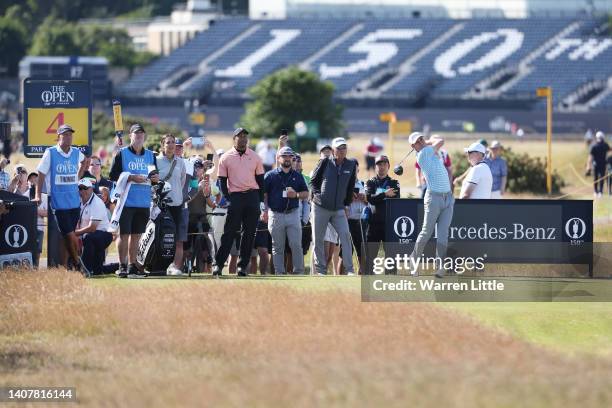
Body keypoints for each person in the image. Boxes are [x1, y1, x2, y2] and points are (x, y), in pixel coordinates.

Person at [35, 124, 90, 275]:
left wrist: (78, 176)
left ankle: (66, 267)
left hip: (74, 201)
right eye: (65, 135)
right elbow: (40, 173)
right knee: (69, 234)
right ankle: (78, 261)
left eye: (70, 135)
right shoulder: (51, 152)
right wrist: (38, 194)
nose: (68, 137)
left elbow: (85, 160)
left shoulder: (76, 152)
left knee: (66, 235)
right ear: (58, 137)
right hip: (58, 202)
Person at [108, 123, 159, 278]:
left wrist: (155, 178)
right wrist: (130, 177)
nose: (139, 136)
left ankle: (132, 266)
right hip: (126, 202)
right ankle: (122, 266)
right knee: (124, 235)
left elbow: (154, 176)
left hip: (143, 202)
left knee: (136, 235)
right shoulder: (121, 154)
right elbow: (112, 175)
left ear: (144, 137)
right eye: (136, 134)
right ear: (130, 136)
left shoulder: (151, 155)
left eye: (141, 134)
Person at [213, 127, 265, 277]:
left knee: (249, 234)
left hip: (252, 196)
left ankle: (242, 268)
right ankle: (218, 265)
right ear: (234, 139)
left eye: (245, 137)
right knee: (229, 233)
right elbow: (222, 182)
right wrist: (228, 199)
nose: (243, 139)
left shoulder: (255, 157)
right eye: (239, 136)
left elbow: (261, 181)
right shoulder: (226, 157)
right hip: (235, 197)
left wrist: (261, 201)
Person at [408, 132, 454, 278]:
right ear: (413, 146)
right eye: (417, 141)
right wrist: (426, 142)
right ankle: (413, 261)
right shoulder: (423, 154)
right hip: (433, 198)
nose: (421, 141)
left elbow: (439, 142)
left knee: (442, 235)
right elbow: (441, 140)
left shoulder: (430, 152)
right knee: (426, 232)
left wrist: (423, 141)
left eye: (421, 138)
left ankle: (440, 267)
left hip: (448, 198)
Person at [310, 137, 357, 276]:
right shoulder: (324, 162)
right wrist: (318, 196)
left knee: (346, 237)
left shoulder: (351, 165)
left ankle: (349, 270)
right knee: (318, 239)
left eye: (344, 148)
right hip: (321, 207)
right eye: (339, 148)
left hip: (338, 209)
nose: (342, 151)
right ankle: (321, 270)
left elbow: (350, 187)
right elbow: (313, 182)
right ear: (333, 150)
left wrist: (347, 205)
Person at [264, 146, 309, 275]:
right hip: (275, 214)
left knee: (296, 245)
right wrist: (264, 210)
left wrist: (295, 195)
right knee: (277, 247)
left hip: (293, 214)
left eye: (290, 156)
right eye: (284, 156)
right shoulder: (270, 175)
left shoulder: (297, 176)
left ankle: (299, 272)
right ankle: (280, 272)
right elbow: (264, 195)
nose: (287, 158)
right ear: (278, 158)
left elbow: (306, 193)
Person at [157, 135, 188, 275]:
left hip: (177, 204)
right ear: (163, 144)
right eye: (168, 142)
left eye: (173, 143)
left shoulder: (180, 162)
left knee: (179, 239)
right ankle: (160, 265)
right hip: (162, 205)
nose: (171, 145)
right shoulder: (156, 161)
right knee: (163, 237)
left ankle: (175, 267)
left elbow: (181, 182)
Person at [365, 155, 400, 274]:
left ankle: (391, 283)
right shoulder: (370, 182)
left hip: (389, 224)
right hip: (373, 224)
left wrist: (378, 196)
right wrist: (385, 194)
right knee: (370, 256)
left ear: (388, 166)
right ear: (375, 167)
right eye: (379, 164)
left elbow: (396, 198)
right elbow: (370, 199)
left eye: (384, 164)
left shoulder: (394, 183)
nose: (382, 167)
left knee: (391, 257)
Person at [75, 178, 113, 275]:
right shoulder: (78, 201)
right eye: (80, 188)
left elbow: (92, 228)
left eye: (85, 188)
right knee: (98, 270)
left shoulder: (97, 203)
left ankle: (85, 269)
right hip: (92, 236)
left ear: (91, 189)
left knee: (88, 237)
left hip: (104, 235)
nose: (82, 191)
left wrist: (75, 234)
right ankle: (118, 266)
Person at [344, 161, 368, 274]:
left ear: (358, 170)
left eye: (355, 169)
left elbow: (369, 203)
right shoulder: (343, 185)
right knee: (345, 252)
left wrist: (364, 198)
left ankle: (361, 274)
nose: (354, 171)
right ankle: (341, 275)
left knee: (361, 251)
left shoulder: (363, 184)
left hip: (360, 221)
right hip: (346, 221)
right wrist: (349, 197)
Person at [587, 131, 610, 198]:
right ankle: (599, 192)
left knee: (597, 178)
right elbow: (610, 151)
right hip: (601, 164)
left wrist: (588, 166)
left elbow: (590, 157)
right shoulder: (605, 145)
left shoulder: (594, 145)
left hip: (597, 164)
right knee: (600, 178)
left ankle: (597, 192)